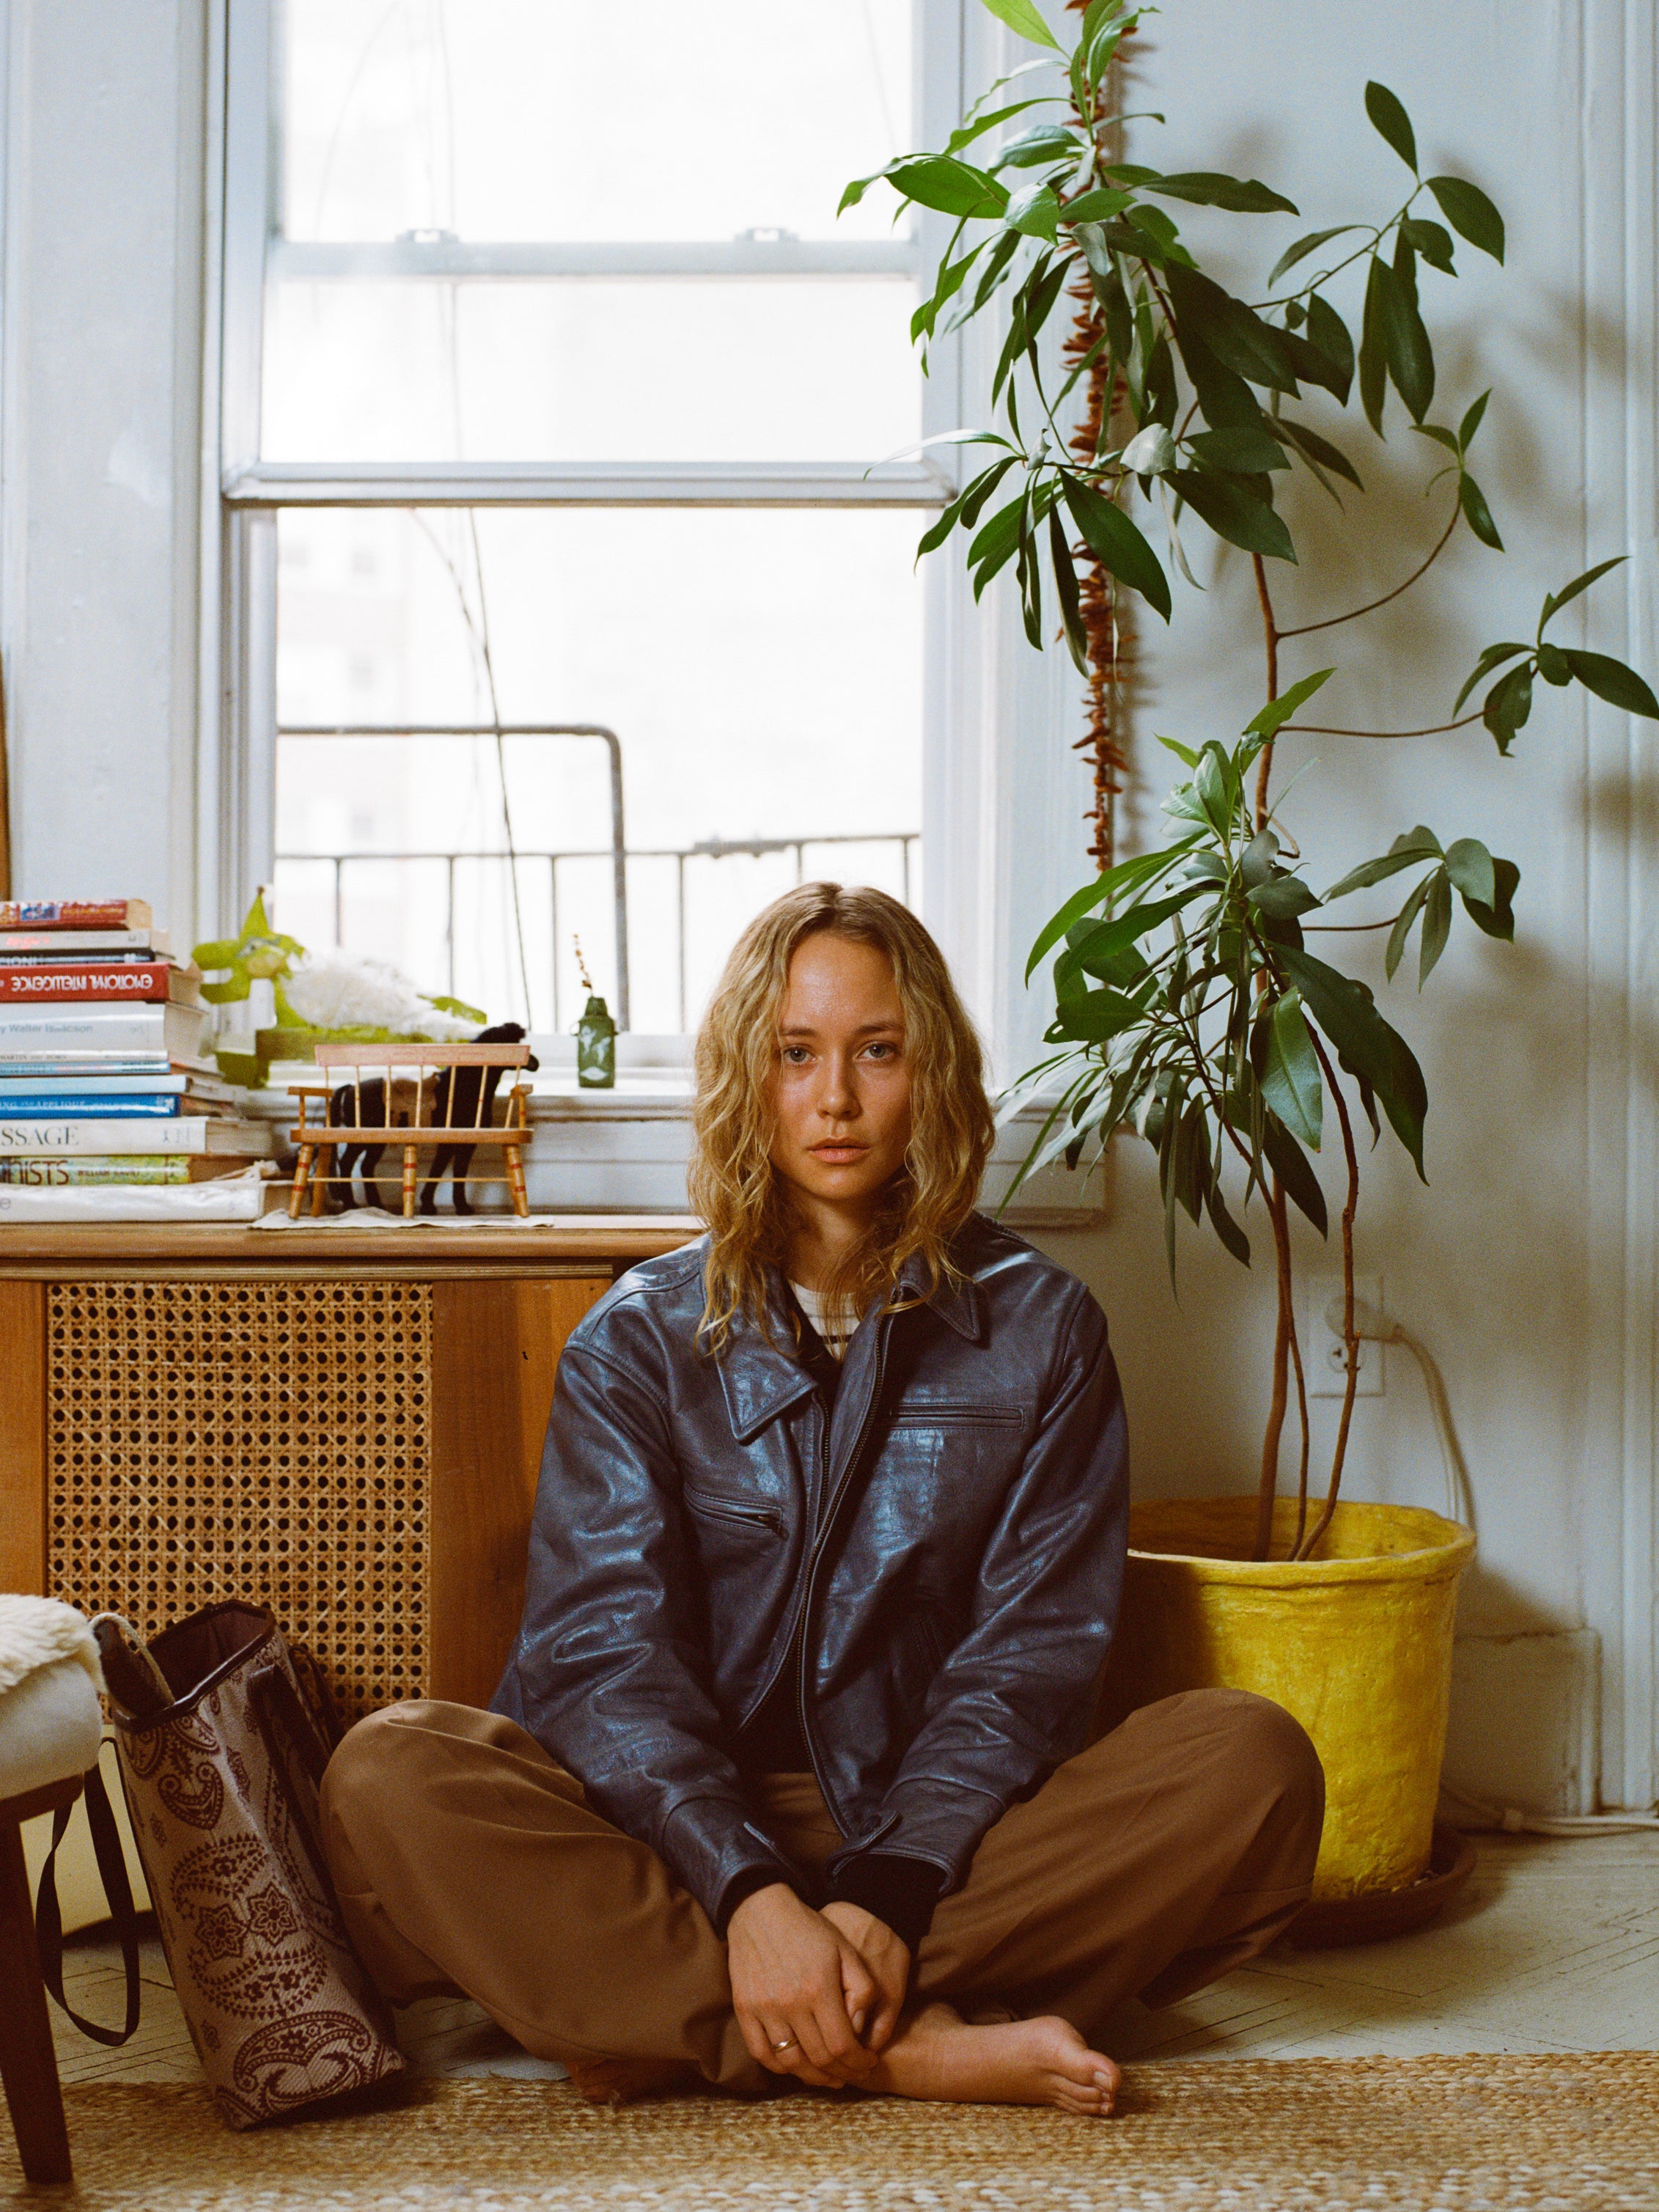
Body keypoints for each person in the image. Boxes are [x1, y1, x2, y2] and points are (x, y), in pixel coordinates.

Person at [320, 883, 1324, 2114]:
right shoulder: (635, 1341)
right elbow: (604, 1667)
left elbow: (1029, 1666)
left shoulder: (1046, 1330)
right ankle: (911, 2051)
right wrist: (748, 1895)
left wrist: (888, 1889)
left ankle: (685, 2024)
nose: (835, 1099)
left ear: (934, 1072)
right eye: (796, 1054)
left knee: (1253, 1764)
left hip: (937, 1835)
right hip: (674, 1840)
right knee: (387, 1773)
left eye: (878, 1051)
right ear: (752, 1076)